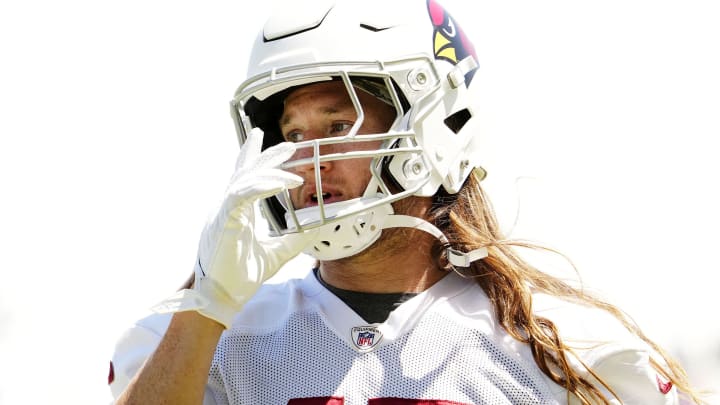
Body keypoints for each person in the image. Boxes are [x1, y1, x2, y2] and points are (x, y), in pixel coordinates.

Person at [108, 0, 704, 404]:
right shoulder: (208, 340)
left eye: (338, 124)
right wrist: (206, 305)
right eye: (293, 134)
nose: (308, 159)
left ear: (438, 123)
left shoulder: (567, 346)